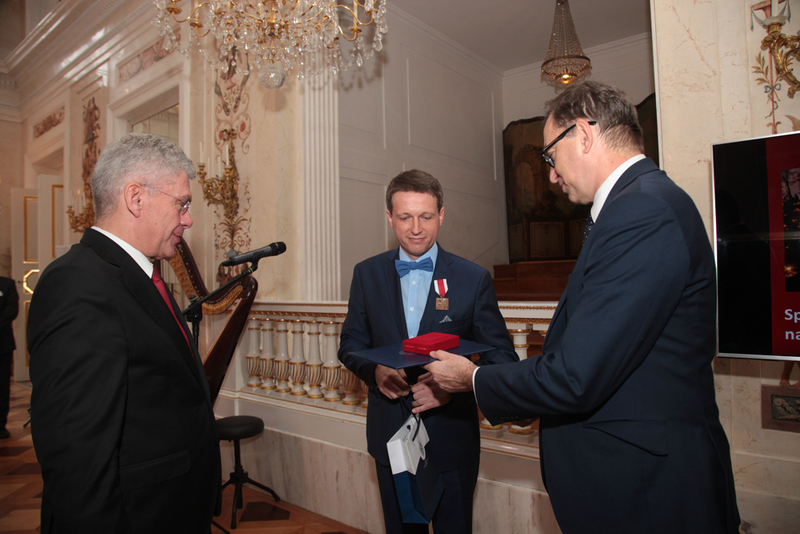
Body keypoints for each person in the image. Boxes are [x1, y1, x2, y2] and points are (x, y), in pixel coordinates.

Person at [423, 81, 741, 534]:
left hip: (648, 491)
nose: (551, 175)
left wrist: (471, 378)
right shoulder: (640, 205)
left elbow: (576, 376)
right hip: (634, 480)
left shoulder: (642, 212)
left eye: (551, 157)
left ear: (584, 135)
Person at [27, 133, 221, 533]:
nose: (187, 218)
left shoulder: (138, 273)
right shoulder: (78, 284)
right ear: (136, 198)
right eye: (182, 204)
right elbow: (77, 461)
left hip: (170, 508)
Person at [338, 170, 517, 534]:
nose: (416, 228)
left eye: (426, 216)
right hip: (392, 437)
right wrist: (375, 372)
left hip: (453, 440)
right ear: (389, 217)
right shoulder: (366, 274)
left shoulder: (473, 278)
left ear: (442, 215)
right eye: (405, 217)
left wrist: (452, 387)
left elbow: (502, 359)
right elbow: (351, 345)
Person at [0, 275, 18, 439]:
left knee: (2, 386)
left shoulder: (6, 284)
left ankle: (0, 425)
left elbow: (12, 310)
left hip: (2, 345)